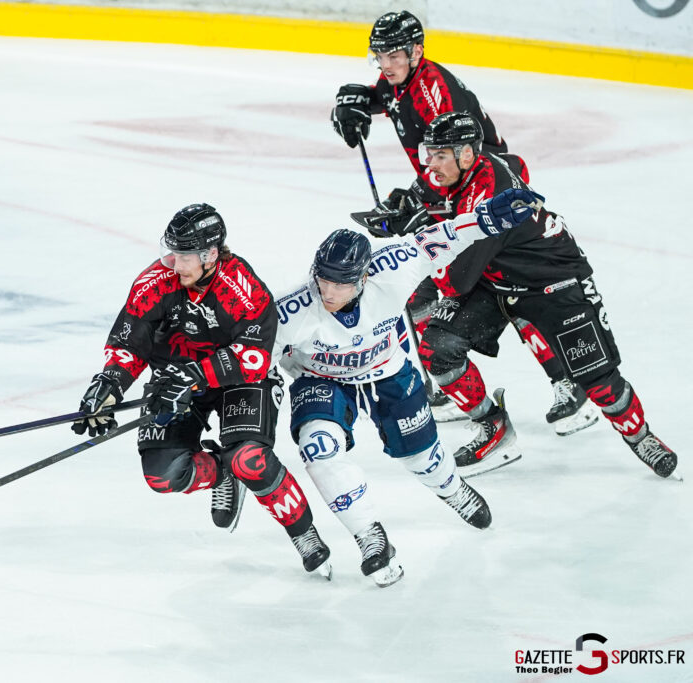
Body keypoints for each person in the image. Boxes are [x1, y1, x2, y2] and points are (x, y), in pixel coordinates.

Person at [328, 9, 597, 436]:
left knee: (510, 290)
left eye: (394, 55)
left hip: (487, 194)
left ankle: (570, 383)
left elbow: (452, 156)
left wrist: (414, 201)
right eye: (378, 55)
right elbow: (391, 97)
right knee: (421, 290)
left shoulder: (435, 95)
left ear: (417, 51)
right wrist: (358, 99)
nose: (386, 64)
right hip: (453, 191)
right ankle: (454, 387)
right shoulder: (407, 80)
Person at [272, 185, 542, 587]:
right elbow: (254, 358)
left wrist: (491, 217)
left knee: (423, 459)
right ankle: (369, 536)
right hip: (322, 380)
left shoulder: (394, 266)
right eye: (323, 281)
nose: (328, 293)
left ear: (364, 277)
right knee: (318, 449)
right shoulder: (291, 307)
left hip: (388, 374)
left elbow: (450, 235)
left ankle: (451, 489)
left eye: (340, 284)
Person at [72, 203, 332, 578]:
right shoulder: (155, 281)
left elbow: (254, 357)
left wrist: (193, 376)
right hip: (177, 378)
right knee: (162, 475)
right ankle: (222, 473)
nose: (175, 265)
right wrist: (109, 384)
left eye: (184, 256)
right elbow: (131, 342)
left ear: (210, 254)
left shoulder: (241, 288)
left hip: (240, 380)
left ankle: (304, 533)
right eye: (172, 252)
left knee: (250, 460)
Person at [415, 111, 679, 480]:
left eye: (439, 156)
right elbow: (515, 163)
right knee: (438, 347)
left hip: (553, 284)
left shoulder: (490, 198)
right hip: (499, 279)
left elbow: (456, 279)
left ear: (465, 154)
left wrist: (418, 239)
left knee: (599, 381)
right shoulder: (475, 168)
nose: (430, 165)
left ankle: (640, 436)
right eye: (430, 154)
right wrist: (408, 206)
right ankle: (495, 428)